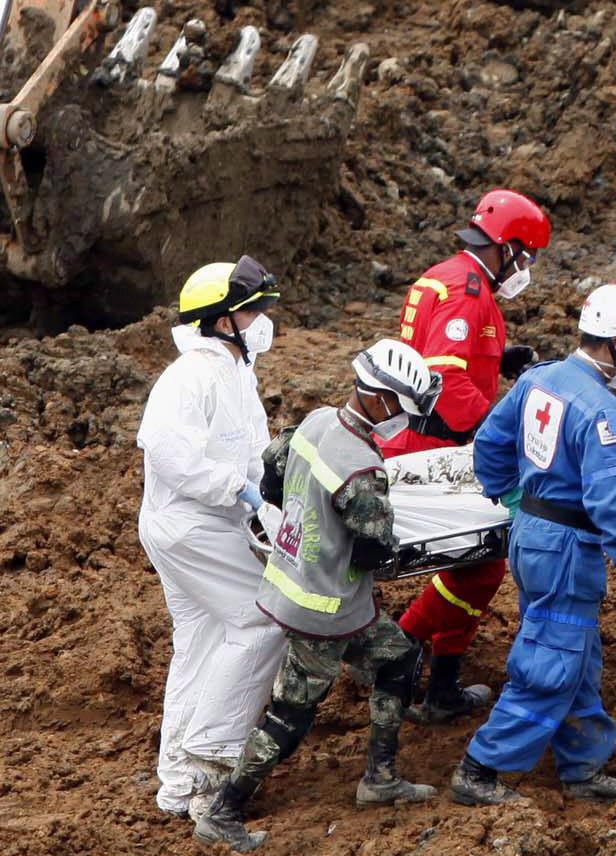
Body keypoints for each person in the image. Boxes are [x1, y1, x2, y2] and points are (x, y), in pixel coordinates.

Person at [190, 342, 449, 848]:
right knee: (290, 715)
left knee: (398, 657)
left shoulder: (315, 422)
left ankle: (380, 777)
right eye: (404, 412)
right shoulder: (363, 470)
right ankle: (224, 811)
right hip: (324, 610)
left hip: (298, 584)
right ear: (381, 401)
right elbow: (375, 550)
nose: (405, 423)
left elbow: (271, 477)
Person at [450, 284, 616, 807]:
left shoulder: (539, 379)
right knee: (551, 662)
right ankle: (481, 769)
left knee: (580, 654)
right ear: (615, 345)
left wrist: (507, 491)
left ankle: (581, 766)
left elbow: (490, 441)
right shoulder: (601, 410)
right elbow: (609, 500)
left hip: (531, 533)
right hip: (568, 548)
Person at [385, 189, 554, 722]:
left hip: (434, 434)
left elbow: (437, 352)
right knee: (482, 565)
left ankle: (442, 686)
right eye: (525, 256)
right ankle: (404, 643)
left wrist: (499, 358)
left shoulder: (448, 276)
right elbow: (445, 377)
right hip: (437, 443)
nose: (526, 268)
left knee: (479, 560)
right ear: (508, 247)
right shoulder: (468, 291)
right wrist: (497, 433)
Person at [139, 257, 288, 818]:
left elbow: (250, 446)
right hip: (188, 526)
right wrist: (238, 491)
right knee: (262, 616)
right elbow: (166, 448)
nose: (262, 323)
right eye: (253, 313)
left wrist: (265, 496)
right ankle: (211, 758)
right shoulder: (191, 375)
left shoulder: (235, 374)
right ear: (223, 321)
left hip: (205, 523)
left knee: (201, 641)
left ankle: (179, 783)